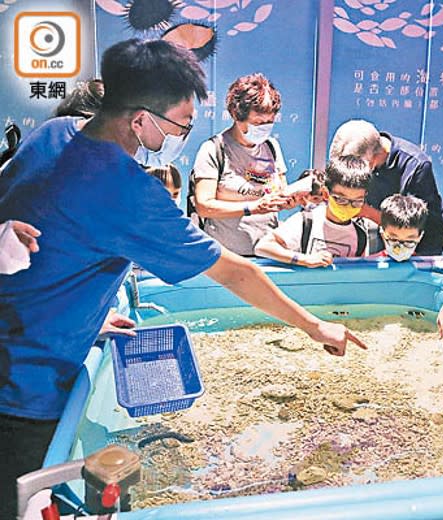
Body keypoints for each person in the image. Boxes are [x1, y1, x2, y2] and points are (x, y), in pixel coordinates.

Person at [0, 39, 364, 519]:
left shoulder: (53, 132)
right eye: (180, 125)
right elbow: (235, 273)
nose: (183, 135)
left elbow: (48, 245)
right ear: (139, 119)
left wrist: (89, 319)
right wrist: (316, 327)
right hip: (25, 390)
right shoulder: (126, 190)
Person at [191, 72, 294, 255]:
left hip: (266, 254)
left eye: (269, 122)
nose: (264, 127)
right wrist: (252, 207)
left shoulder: (272, 147)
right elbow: (204, 206)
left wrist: (290, 199)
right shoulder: (214, 149)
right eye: (258, 122)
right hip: (224, 257)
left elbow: (280, 192)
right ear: (236, 115)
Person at [329, 119, 443, 255]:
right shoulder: (367, 151)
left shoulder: (415, 166)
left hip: (416, 248)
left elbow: (410, 226)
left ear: (372, 159)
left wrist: (365, 211)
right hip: (382, 241)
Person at [255, 156, 376, 267]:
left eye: (357, 201)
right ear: (325, 194)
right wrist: (305, 260)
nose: (348, 206)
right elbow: (263, 246)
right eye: (341, 200)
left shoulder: (360, 235)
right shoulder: (306, 221)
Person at [378, 194, 428, 261]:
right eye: (393, 239)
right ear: (382, 234)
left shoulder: (427, 267)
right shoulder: (368, 267)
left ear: (420, 237)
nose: (400, 248)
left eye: (409, 241)